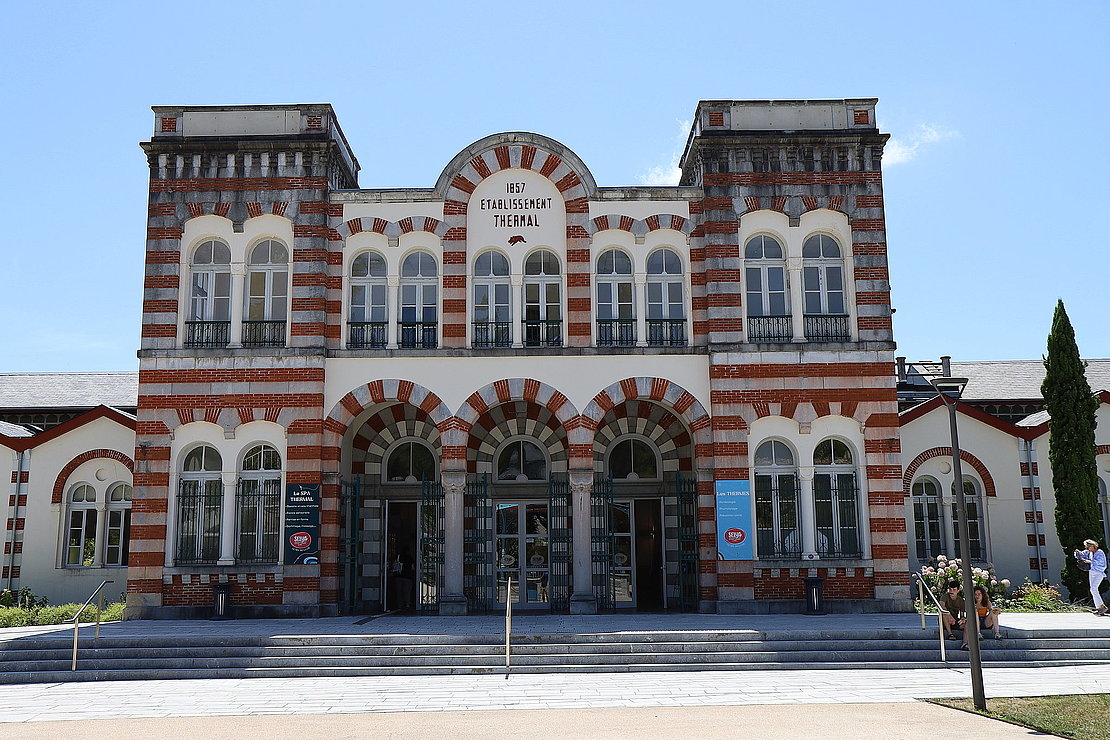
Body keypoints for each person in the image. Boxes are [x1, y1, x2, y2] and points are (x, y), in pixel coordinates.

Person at [1075, 539, 1108, 615]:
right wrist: (1078, 553)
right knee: (1093, 590)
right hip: (1092, 572)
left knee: (1093, 589)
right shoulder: (1089, 552)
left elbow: (1101, 563)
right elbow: (1081, 555)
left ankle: (1101, 607)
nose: (1087, 549)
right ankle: (1100, 608)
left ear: (1093, 546)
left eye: (1088, 547)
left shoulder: (1100, 552)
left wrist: (1089, 562)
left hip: (1098, 573)